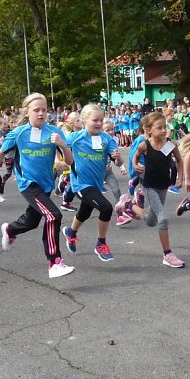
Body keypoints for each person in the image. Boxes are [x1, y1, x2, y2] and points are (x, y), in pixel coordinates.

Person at [0, 92, 75, 279]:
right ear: (27, 112)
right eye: (36, 110)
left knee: (32, 222)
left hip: (46, 185)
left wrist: (63, 146)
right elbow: (0, 154)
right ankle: (55, 262)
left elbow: (69, 162)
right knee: (53, 216)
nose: (41, 113)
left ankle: (10, 229)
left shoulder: (54, 132)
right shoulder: (19, 133)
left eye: (44, 110)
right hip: (28, 184)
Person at [62, 103, 123, 262]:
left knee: (85, 212)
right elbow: (59, 146)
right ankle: (100, 244)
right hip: (81, 184)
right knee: (106, 207)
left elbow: (117, 162)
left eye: (101, 120)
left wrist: (118, 157)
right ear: (84, 120)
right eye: (95, 120)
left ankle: (71, 232)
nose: (99, 123)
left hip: (96, 184)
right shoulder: (75, 138)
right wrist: (58, 159)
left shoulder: (106, 139)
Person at [124, 111, 186, 267]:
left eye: (165, 127)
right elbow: (135, 156)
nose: (164, 130)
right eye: (159, 128)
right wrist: (134, 165)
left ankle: (128, 205)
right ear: (148, 129)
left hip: (163, 185)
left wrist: (180, 179)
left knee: (151, 221)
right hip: (148, 185)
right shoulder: (145, 144)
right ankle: (168, 255)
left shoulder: (170, 144)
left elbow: (179, 160)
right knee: (162, 218)